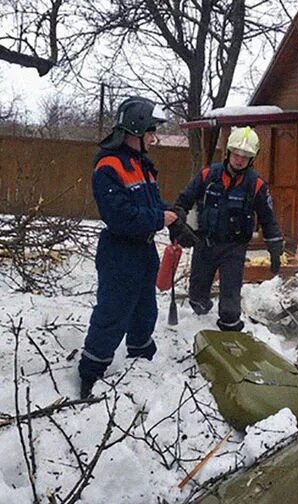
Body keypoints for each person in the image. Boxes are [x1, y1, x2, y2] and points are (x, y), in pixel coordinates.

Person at [79, 96, 178, 399]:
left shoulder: (141, 164)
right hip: (119, 251)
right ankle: (91, 371)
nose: (154, 138)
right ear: (135, 131)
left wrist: (173, 217)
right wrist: (160, 218)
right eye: (150, 132)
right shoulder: (109, 166)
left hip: (143, 250)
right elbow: (120, 216)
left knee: (144, 307)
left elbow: (149, 203)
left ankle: (140, 356)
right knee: (113, 311)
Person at [174, 126, 283, 332]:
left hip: (234, 248)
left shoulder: (256, 185)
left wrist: (275, 248)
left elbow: (268, 219)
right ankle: (198, 323)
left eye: (245, 156)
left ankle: (229, 328)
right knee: (197, 298)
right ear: (229, 152)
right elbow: (184, 200)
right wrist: (178, 224)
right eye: (236, 154)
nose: (239, 159)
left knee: (230, 303)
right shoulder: (208, 175)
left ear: (252, 158)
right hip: (205, 244)